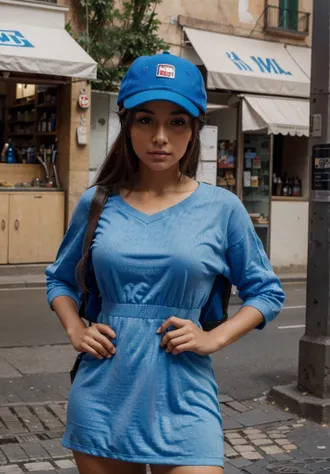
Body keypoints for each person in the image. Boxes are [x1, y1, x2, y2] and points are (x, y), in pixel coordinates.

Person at [45, 52, 285, 474]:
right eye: (145, 120)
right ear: (127, 125)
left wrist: (215, 338)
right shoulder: (97, 202)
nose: (160, 136)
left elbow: (266, 291)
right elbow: (60, 281)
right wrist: (75, 329)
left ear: (194, 130)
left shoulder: (221, 208)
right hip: (103, 393)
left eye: (176, 121)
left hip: (185, 396)